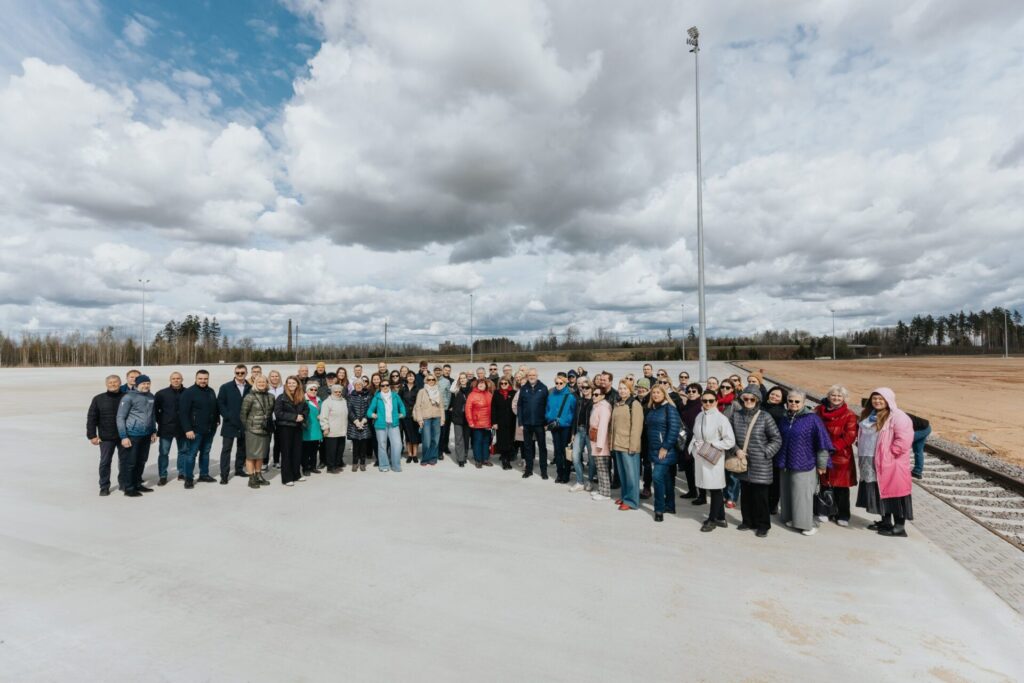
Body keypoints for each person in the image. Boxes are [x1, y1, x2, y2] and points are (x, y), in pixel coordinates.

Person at [776, 391, 833, 536]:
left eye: (797, 401)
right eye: (791, 401)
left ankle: (806, 525)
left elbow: (822, 444)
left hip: (805, 463)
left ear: (803, 402)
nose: (793, 404)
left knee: (802, 496)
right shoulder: (784, 418)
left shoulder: (812, 419)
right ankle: (791, 518)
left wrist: (821, 465)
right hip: (786, 463)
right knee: (787, 493)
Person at [729, 387, 782, 537]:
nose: (748, 402)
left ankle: (763, 525)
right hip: (743, 461)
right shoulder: (736, 416)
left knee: (761, 497)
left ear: (757, 400)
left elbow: (776, 439)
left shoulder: (765, 416)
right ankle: (747, 521)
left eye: (752, 399)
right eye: (745, 399)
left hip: (761, 463)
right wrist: (736, 450)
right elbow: (729, 437)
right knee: (745, 495)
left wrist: (766, 453)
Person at [864, 388, 915, 537]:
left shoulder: (899, 417)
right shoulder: (873, 415)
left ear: (888, 400)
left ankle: (899, 527)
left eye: (881, 398)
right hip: (879, 462)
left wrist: (891, 453)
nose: (877, 401)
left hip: (893, 463)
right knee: (883, 493)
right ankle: (886, 522)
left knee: (898, 495)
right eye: (874, 398)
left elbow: (904, 440)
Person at [690, 391, 736, 531]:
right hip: (700, 455)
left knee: (716, 488)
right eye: (705, 401)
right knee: (709, 486)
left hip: (713, 456)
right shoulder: (700, 415)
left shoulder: (721, 419)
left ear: (716, 401)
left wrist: (713, 445)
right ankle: (721, 518)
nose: (708, 403)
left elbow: (730, 441)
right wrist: (693, 447)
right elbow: (695, 434)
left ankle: (712, 519)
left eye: (711, 401)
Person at [815, 385, 858, 526]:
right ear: (828, 396)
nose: (836, 398)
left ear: (844, 398)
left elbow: (850, 435)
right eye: (833, 395)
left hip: (841, 455)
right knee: (824, 484)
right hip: (822, 452)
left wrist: (833, 447)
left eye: (839, 396)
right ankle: (824, 511)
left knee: (841, 487)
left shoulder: (849, 414)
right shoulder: (818, 411)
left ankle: (843, 515)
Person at [645, 384, 683, 522]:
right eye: (653, 392)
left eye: (658, 392)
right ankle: (670, 506)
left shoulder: (669, 408)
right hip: (654, 449)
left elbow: (674, 429)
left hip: (665, 451)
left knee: (657, 477)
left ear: (664, 394)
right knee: (666, 479)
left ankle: (659, 509)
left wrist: (665, 447)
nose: (655, 395)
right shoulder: (652, 409)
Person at [115, 374, 157, 497]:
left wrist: (154, 431)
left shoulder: (151, 396)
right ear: (137, 384)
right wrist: (124, 436)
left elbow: (152, 415)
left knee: (141, 460)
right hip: (132, 434)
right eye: (143, 383)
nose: (146, 385)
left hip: (146, 434)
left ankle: (138, 483)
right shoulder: (128, 397)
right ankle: (128, 487)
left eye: (148, 383)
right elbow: (120, 417)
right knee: (131, 462)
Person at [178, 370, 220, 488]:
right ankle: (189, 478)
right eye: (200, 378)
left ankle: (204, 474)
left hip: (209, 429)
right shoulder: (189, 392)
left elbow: (214, 407)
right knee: (191, 454)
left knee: (205, 452)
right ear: (196, 378)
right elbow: (183, 413)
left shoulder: (211, 391)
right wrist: (188, 429)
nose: (203, 381)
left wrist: (217, 420)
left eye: (205, 378)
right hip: (195, 430)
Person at [87, 374, 123, 496]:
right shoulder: (98, 399)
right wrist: (92, 435)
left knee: (124, 461)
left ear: (120, 383)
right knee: (105, 462)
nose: (113, 384)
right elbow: (92, 418)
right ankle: (104, 486)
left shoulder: (126, 397)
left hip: (124, 436)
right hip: (106, 437)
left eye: (115, 382)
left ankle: (123, 483)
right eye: (110, 382)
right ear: (106, 384)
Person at [611, 380, 644, 510]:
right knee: (623, 474)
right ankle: (625, 496)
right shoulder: (618, 404)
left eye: (625, 388)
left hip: (628, 445)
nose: (622, 390)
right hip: (617, 444)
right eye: (620, 388)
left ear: (630, 390)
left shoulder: (634, 404)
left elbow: (637, 427)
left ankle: (632, 501)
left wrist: (633, 446)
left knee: (631, 475)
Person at [217, 364, 251, 484]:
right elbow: (220, 403)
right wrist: (228, 416)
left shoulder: (250, 388)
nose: (240, 375)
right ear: (234, 373)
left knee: (242, 448)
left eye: (242, 372)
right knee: (226, 449)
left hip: (245, 424)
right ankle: (224, 475)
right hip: (230, 423)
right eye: (238, 373)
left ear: (246, 373)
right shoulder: (226, 387)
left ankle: (239, 469)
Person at [239, 375, 274, 489]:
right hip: (252, 430)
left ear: (267, 383)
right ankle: (251, 478)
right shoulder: (250, 397)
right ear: (255, 383)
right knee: (251, 455)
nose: (261, 383)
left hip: (265, 430)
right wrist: (248, 427)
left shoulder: (271, 396)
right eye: (259, 382)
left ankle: (259, 475)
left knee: (260, 455)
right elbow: (243, 414)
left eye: (264, 382)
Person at [154, 371, 187, 486]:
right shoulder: (161, 394)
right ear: (170, 380)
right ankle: (163, 475)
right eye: (173, 378)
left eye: (178, 378)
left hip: (183, 428)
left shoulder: (188, 392)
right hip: (166, 428)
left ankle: (182, 472)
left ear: (182, 379)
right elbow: (155, 411)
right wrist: (161, 421)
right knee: (164, 452)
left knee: (183, 451)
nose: (176, 380)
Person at [274, 377, 308, 486]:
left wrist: (302, 416)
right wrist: (294, 417)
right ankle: (287, 478)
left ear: (297, 384)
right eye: (289, 383)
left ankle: (296, 474)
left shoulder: (301, 397)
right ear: (286, 384)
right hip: (285, 428)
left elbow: (306, 409)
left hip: (297, 427)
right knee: (287, 453)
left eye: (294, 383)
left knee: (297, 452)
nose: (292, 385)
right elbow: (278, 413)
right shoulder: (281, 397)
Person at [368, 378, 406, 472]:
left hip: (394, 424)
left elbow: (401, 406)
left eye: (387, 385)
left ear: (389, 386)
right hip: (381, 425)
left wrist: (402, 414)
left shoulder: (395, 396)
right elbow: (369, 411)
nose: (385, 387)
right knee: (382, 445)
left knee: (397, 444)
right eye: (383, 385)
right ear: (380, 387)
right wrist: (373, 415)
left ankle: (396, 465)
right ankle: (384, 465)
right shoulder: (377, 397)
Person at [517, 368, 549, 479]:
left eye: (534, 375)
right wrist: (520, 422)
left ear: (537, 375)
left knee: (542, 447)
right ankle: (528, 470)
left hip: (540, 423)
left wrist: (546, 422)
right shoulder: (524, 388)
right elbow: (519, 406)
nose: (532, 377)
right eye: (530, 375)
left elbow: (547, 406)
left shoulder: (543, 388)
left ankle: (543, 471)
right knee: (528, 447)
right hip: (527, 423)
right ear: (527, 376)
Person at [546, 373, 577, 483]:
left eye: (561, 383)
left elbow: (573, 413)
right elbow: (547, 409)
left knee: (565, 451)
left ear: (565, 383)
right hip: (554, 426)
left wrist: (564, 421)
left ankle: (566, 473)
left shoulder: (570, 396)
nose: (558, 385)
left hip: (565, 427)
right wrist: (549, 418)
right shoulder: (551, 395)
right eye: (557, 383)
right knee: (557, 451)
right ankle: (560, 473)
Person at [763, 386, 788, 514]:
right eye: (772, 394)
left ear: (783, 399)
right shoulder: (762, 407)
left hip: (774, 449)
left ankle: (772, 504)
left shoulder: (781, 413)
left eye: (777, 396)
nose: (773, 397)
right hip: (760, 447)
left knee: (774, 479)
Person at [588, 385, 613, 500]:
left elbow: (603, 427)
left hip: (600, 442)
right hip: (594, 438)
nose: (594, 396)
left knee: (603, 468)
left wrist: (600, 445)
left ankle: (605, 493)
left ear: (602, 396)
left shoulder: (604, 408)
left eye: (596, 394)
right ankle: (601, 489)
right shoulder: (597, 406)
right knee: (599, 468)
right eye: (593, 394)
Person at [678, 383, 703, 498]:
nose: (691, 393)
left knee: (698, 470)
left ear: (699, 393)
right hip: (686, 440)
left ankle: (702, 496)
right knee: (688, 468)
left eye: (694, 391)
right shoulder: (686, 405)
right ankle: (692, 491)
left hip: (697, 441)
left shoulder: (701, 406)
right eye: (689, 391)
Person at [569, 376, 594, 492]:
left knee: (591, 458)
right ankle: (579, 481)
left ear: (591, 388)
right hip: (579, 430)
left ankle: (589, 481)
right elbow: (575, 418)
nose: (584, 389)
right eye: (582, 387)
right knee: (575, 456)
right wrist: (573, 433)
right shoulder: (579, 401)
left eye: (587, 387)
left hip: (590, 433)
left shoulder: (594, 402)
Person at [414, 372, 445, 466]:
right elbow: (418, 406)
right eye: (429, 379)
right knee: (426, 440)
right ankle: (425, 458)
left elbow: (441, 407)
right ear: (426, 381)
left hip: (437, 417)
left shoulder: (438, 392)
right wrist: (419, 419)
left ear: (435, 381)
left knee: (435, 439)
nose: (431, 381)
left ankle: (433, 457)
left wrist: (442, 419)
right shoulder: (422, 391)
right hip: (425, 418)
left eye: (433, 379)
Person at [319, 383, 349, 472]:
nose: (338, 393)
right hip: (332, 431)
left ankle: (336, 464)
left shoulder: (344, 401)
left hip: (342, 430)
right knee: (331, 450)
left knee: (340, 449)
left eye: (340, 392)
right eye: (336, 392)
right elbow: (323, 416)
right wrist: (325, 427)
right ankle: (330, 467)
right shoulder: (327, 402)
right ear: (332, 392)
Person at [465, 378, 494, 468]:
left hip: (488, 422)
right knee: (477, 441)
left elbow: (493, 408)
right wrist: (470, 421)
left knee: (486, 441)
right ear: (477, 385)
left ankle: (485, 459)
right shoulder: (472, 395)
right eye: (480, 384)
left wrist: (493, 421)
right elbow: (468, 408)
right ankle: (478, 460)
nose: (481, 385)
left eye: (483, 384)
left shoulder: (489, 394)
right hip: (477, 422)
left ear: (486, 385)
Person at [347, 377, 373, 472]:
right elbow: (349, 411)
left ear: (363, 385)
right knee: (355, 446)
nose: (358, 386)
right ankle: (354, 463)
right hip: (354, 424)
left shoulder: (368, 396)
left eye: (360, 384)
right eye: (356, 385)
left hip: (365, 424)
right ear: (354, 386)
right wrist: (356, 421)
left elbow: (370, 409)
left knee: (363, 446)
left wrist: (364, 420)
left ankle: (362, 463)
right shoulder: (350, 396)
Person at [491, 376, 517, 469]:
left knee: (510, 441)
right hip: (500, 422)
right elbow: (493, 408)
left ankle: (508, 459)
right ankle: (504, 461)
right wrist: (494, 422)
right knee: (502, 442)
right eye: (501, 383)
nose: (503, 385)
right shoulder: (497, 393)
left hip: (512, 421)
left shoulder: (514, 393)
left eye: (505, 383)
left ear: (509, 383)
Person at [301, 382, 324, 476]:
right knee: (306, 450)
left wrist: (321, 416)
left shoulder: (319, 400)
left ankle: (313, 466)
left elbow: (324, 412)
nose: (314, 391)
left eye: (315, 390)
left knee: (314, 450)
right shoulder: (303, 400)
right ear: (307, 390)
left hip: (317, 428)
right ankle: (305, 468)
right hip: (307, 428)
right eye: (311, 389)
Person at [449, 372, 471, 467]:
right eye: (460, 378)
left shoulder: (471, 390)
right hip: (457, 418)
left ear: (467, 379)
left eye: (464, 378)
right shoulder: (456, 391)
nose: (462, 380)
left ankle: (465, 455)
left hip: (468, 418)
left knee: (466, 438)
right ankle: (460, 459)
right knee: (458, 439)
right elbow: (452, 402)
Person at [399, 373, 421, 463]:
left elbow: (419, 402)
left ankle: (415, 454)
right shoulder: (403, 388)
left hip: (415, 414)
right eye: (408, 376)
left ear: (414, 378)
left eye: (412, 376)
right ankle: (409, 454)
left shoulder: (418, 388)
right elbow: (400, 402)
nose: (410, 378)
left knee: (415, 435)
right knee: (408, 435)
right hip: (405, 415)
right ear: (406, 378)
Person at [266, 370, 285, 470]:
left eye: (276, 376)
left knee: (278, 441)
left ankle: (276, 461)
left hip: (280, 419)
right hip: (269, 418)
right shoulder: (266, 388)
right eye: (272, 376)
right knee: (266, 441)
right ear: (269, 377)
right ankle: (264, 462)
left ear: (279, 377)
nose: (274, 378)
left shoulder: (283, 388)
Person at [437, 365, 453, 458]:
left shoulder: (452, 381)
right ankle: (439, 448)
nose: (447, 371)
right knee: (440, 429)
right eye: (445, 370)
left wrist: (452, 406)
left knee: (447, 429)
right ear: (442, 370)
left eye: (449, 370)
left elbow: (453, 395)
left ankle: (445, 446)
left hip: (448, 409)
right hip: (439, 408)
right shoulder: (437, 380)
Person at [910, 414, 931, 480]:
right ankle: (917, 472)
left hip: (923, 429)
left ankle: (899, 470)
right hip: (924, 428)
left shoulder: (897, 416)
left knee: (903, 443)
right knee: (918, 450)